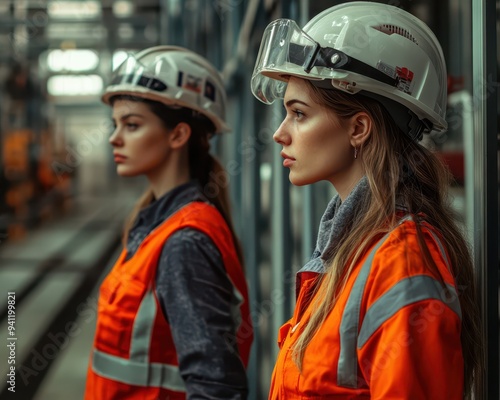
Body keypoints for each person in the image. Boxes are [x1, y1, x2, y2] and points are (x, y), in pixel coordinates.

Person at [250, 2, 482, 399]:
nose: (280, 134)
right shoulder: (352, 250)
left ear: (359, 127)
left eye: (299, 113)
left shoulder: (402, 264)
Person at [85, 45, 253, 399]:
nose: (115, 138)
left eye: (131, 125)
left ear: (178, 135)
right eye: (116, 125)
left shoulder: (183, 242)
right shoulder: (156, 226)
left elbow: (216, 387)